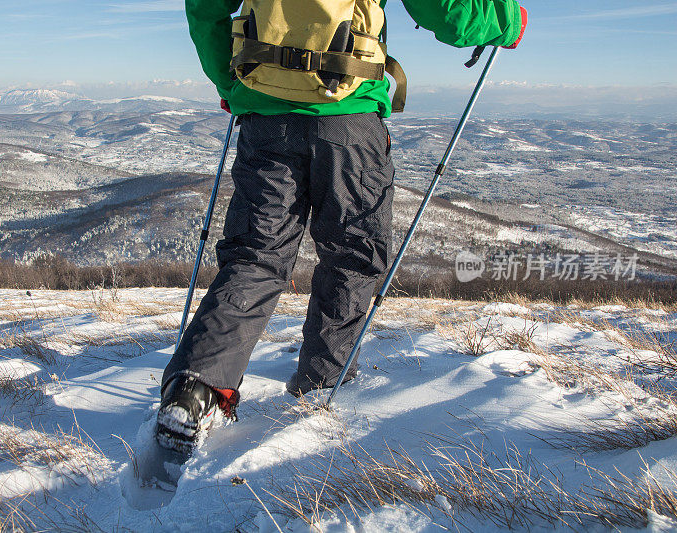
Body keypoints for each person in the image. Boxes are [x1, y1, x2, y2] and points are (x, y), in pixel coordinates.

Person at [156, 0, 527, 453]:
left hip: (266, 115)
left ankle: (195, 391)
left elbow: (204, 8)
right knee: (352, 256)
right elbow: (445, 12)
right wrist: (508, 21)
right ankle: (321, 385)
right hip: (350, 121)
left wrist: (230, 80)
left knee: (255, 258)